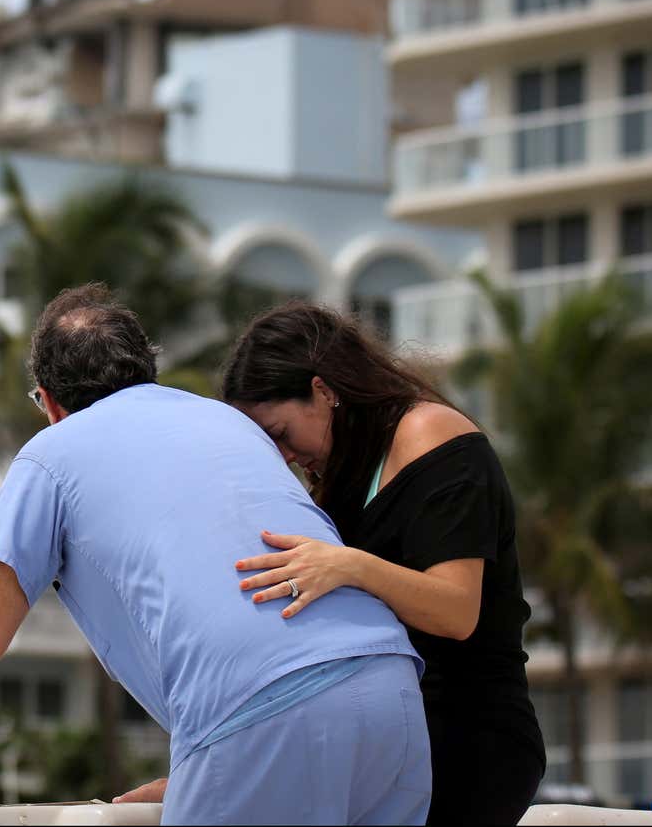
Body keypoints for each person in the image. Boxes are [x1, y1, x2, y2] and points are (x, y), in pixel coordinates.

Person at [0, 284, 431, 825]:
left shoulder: (53, 454)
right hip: (390, 692)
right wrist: (202, 762)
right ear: (145, 369)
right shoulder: (228, 421)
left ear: (48, 401)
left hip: (260, 717)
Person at [218, 301, 544, 825]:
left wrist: (350, 565)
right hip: (384, 744)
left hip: (468, 739)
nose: (283, 456)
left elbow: (457, 611)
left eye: (280, 434)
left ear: (323, 392)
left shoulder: (432, 434)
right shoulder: (340, 480)